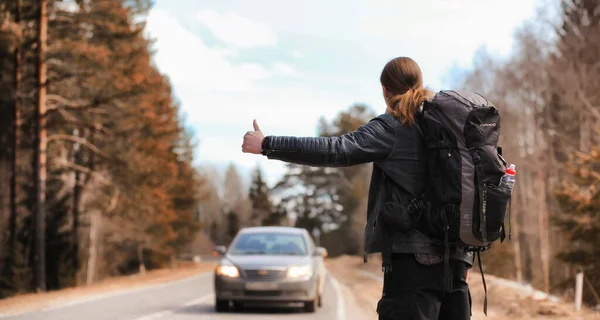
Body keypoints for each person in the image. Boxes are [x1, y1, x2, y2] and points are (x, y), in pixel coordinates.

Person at [242, 57, 473, 320]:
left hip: (413, 267)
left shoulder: (394, 126)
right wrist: (462, 257)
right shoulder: (448, 129)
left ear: (386, 90)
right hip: (456, 266)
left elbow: (336, 150)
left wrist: (267, 144)